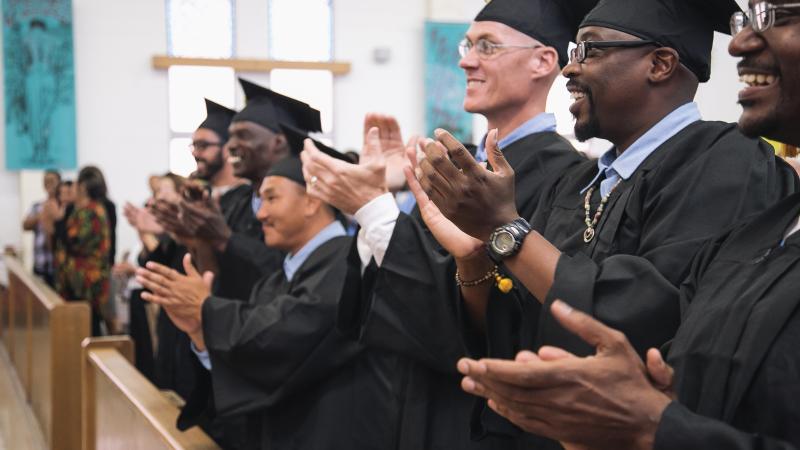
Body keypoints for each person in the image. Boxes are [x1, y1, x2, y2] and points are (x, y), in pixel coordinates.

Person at [301, 1, 594, 448]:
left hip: (477, 423)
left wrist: (375, 211)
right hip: (413, 408)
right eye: (467, 44)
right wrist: (381, 200)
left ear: (543, 60)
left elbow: (492, 325)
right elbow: (392, 307)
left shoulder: (564, 177)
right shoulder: (460, 167)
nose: (465, 59)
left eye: (487, 46)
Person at [137, 131, 408, 450]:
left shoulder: (349, 265)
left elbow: (285, 338)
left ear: (311, 201)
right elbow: (260, 364)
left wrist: (207, 312)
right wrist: (201, 332)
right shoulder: (277, 280)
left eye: (272, 198)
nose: (260, 213)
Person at [152, 79, 322, 302]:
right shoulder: (236, 203)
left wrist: (225, 238)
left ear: (278, 142)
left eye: (243, 135)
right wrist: (196, 236)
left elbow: (288, 272)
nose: (230, 146)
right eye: (231, 135)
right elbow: (214, 277)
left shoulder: (307, 203)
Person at [54, 166, 112, 336]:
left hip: (86, 282)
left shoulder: (92, 211)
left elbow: (75, 242)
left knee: (88, 327)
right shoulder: (82, 210)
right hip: (76, 280)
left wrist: (58, 221)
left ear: (83, 187)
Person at [22, 169, 61, 286]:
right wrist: (41, 216)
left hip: (57, 266)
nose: (49, 184)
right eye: (46, 181)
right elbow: (25, 225)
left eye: (52, 181)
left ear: (59, 183)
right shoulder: (37, 206)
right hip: (40, 263)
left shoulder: (64, 206)